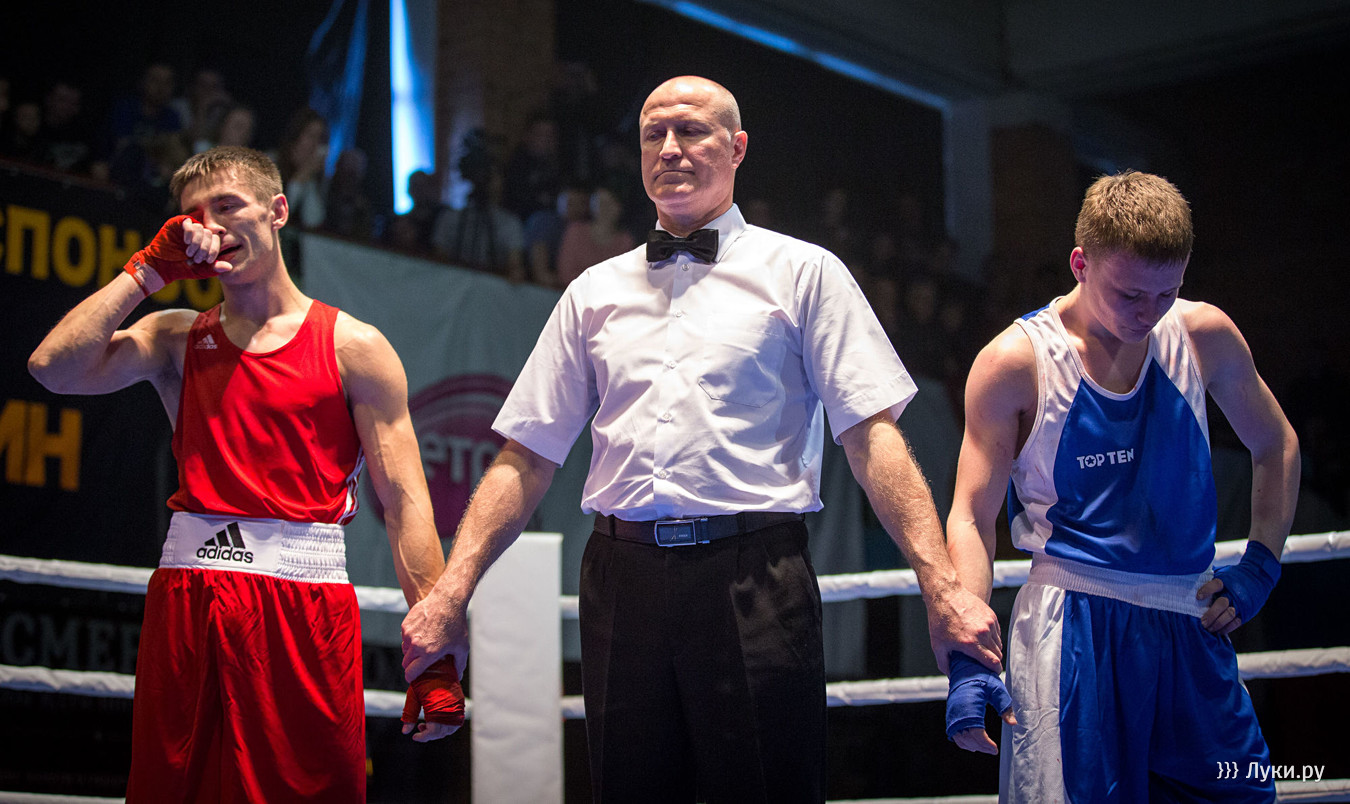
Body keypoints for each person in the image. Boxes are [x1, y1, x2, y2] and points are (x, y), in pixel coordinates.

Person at [401, 76, 1003, 803]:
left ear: (738, 148)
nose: (670, 149)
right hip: (621, 578)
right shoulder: (593, 291)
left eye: (691, 130)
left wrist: (942, 587)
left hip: (755, 575)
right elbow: (525, 455)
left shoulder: (804, 272)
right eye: (654, 135)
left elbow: (872, 437)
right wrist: (452, 592)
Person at [28, 146, 462, 802]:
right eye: (194, 216)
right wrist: (146, 272)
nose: (212, 227)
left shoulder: (354, 347)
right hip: (190, 601)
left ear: (277, 210)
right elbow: (52, 369)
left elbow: (406, 504)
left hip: (305, 608)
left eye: (228, 206)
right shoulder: (176, 338)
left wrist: (436, 658)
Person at [944, 171, 1299, 803]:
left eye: (1167, 292)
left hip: (1191, 621)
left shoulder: (1203, 335)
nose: (1148, 312)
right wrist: (969, 648)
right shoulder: (1017, 363)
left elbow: (1277, 444)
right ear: (1080, 264)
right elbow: (971, 514)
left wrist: (1262, 565)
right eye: (1130, 293)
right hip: (1073, 625)